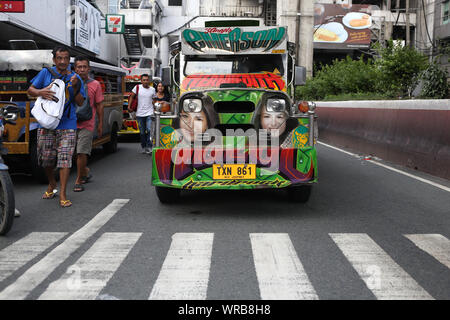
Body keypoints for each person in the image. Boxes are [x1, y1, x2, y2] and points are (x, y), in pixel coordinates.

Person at [27, 46, 86, 208]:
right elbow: (30, 90)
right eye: (59, 58)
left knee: (65, 159)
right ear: (54, 60)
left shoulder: (76, 77)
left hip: (67, 123)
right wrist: (41, 92)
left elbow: (80, 102)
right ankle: (52, 183)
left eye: (66, 58)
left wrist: (75, 87)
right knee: (46, 159)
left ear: (69, 60)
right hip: (46, 123)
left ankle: (62, 193)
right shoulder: (46, 73)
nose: (62, 61)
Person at [73, 55, 104, 192]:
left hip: (87, 123)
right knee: (73, 153)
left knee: (81, 152)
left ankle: (79, 180)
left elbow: (99, 105)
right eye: (79, 67)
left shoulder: (95, 84)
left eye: (84, 67)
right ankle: (85, 170)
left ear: (89, 69)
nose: (82, 69)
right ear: (75, 69)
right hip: (71, 123)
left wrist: (100, 123)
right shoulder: (69, 82)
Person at [128, 74, 155, 154]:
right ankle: (144, 146)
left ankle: (149, 147)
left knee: (150, 130)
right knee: (142, 132)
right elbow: (131, 97)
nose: (146, 81)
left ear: (149, 81)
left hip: (150, 113)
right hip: (139, 114)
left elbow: (154, 100)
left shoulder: (152, 89)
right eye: (144, 80)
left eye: (147, 80)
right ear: (141, 81)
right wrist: (129, 107)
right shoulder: (137, 88)